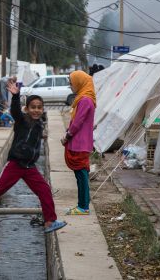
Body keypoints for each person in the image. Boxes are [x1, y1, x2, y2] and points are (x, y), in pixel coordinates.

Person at [0, 81, 67, 233]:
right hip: (15, 164)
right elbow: (15, 111)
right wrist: (15, 96)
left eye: (39, 107)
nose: (36, 110)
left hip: (30, 167)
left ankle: (49, 222)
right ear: (27, 109)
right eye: (33, 107)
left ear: (43, 109)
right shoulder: (22, 121)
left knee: (44, 190)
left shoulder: (40, 124)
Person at [61, 70, 96, 215]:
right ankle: (82, 205)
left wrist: (67, 136)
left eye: (71, 83)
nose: (71, 86)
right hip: (81, 143)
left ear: (79, 82)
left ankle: (83, 207)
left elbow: (77, 123)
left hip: (79, 144)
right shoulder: (85, 98)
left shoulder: (84, 100)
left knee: (81, 176)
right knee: (80, 176)